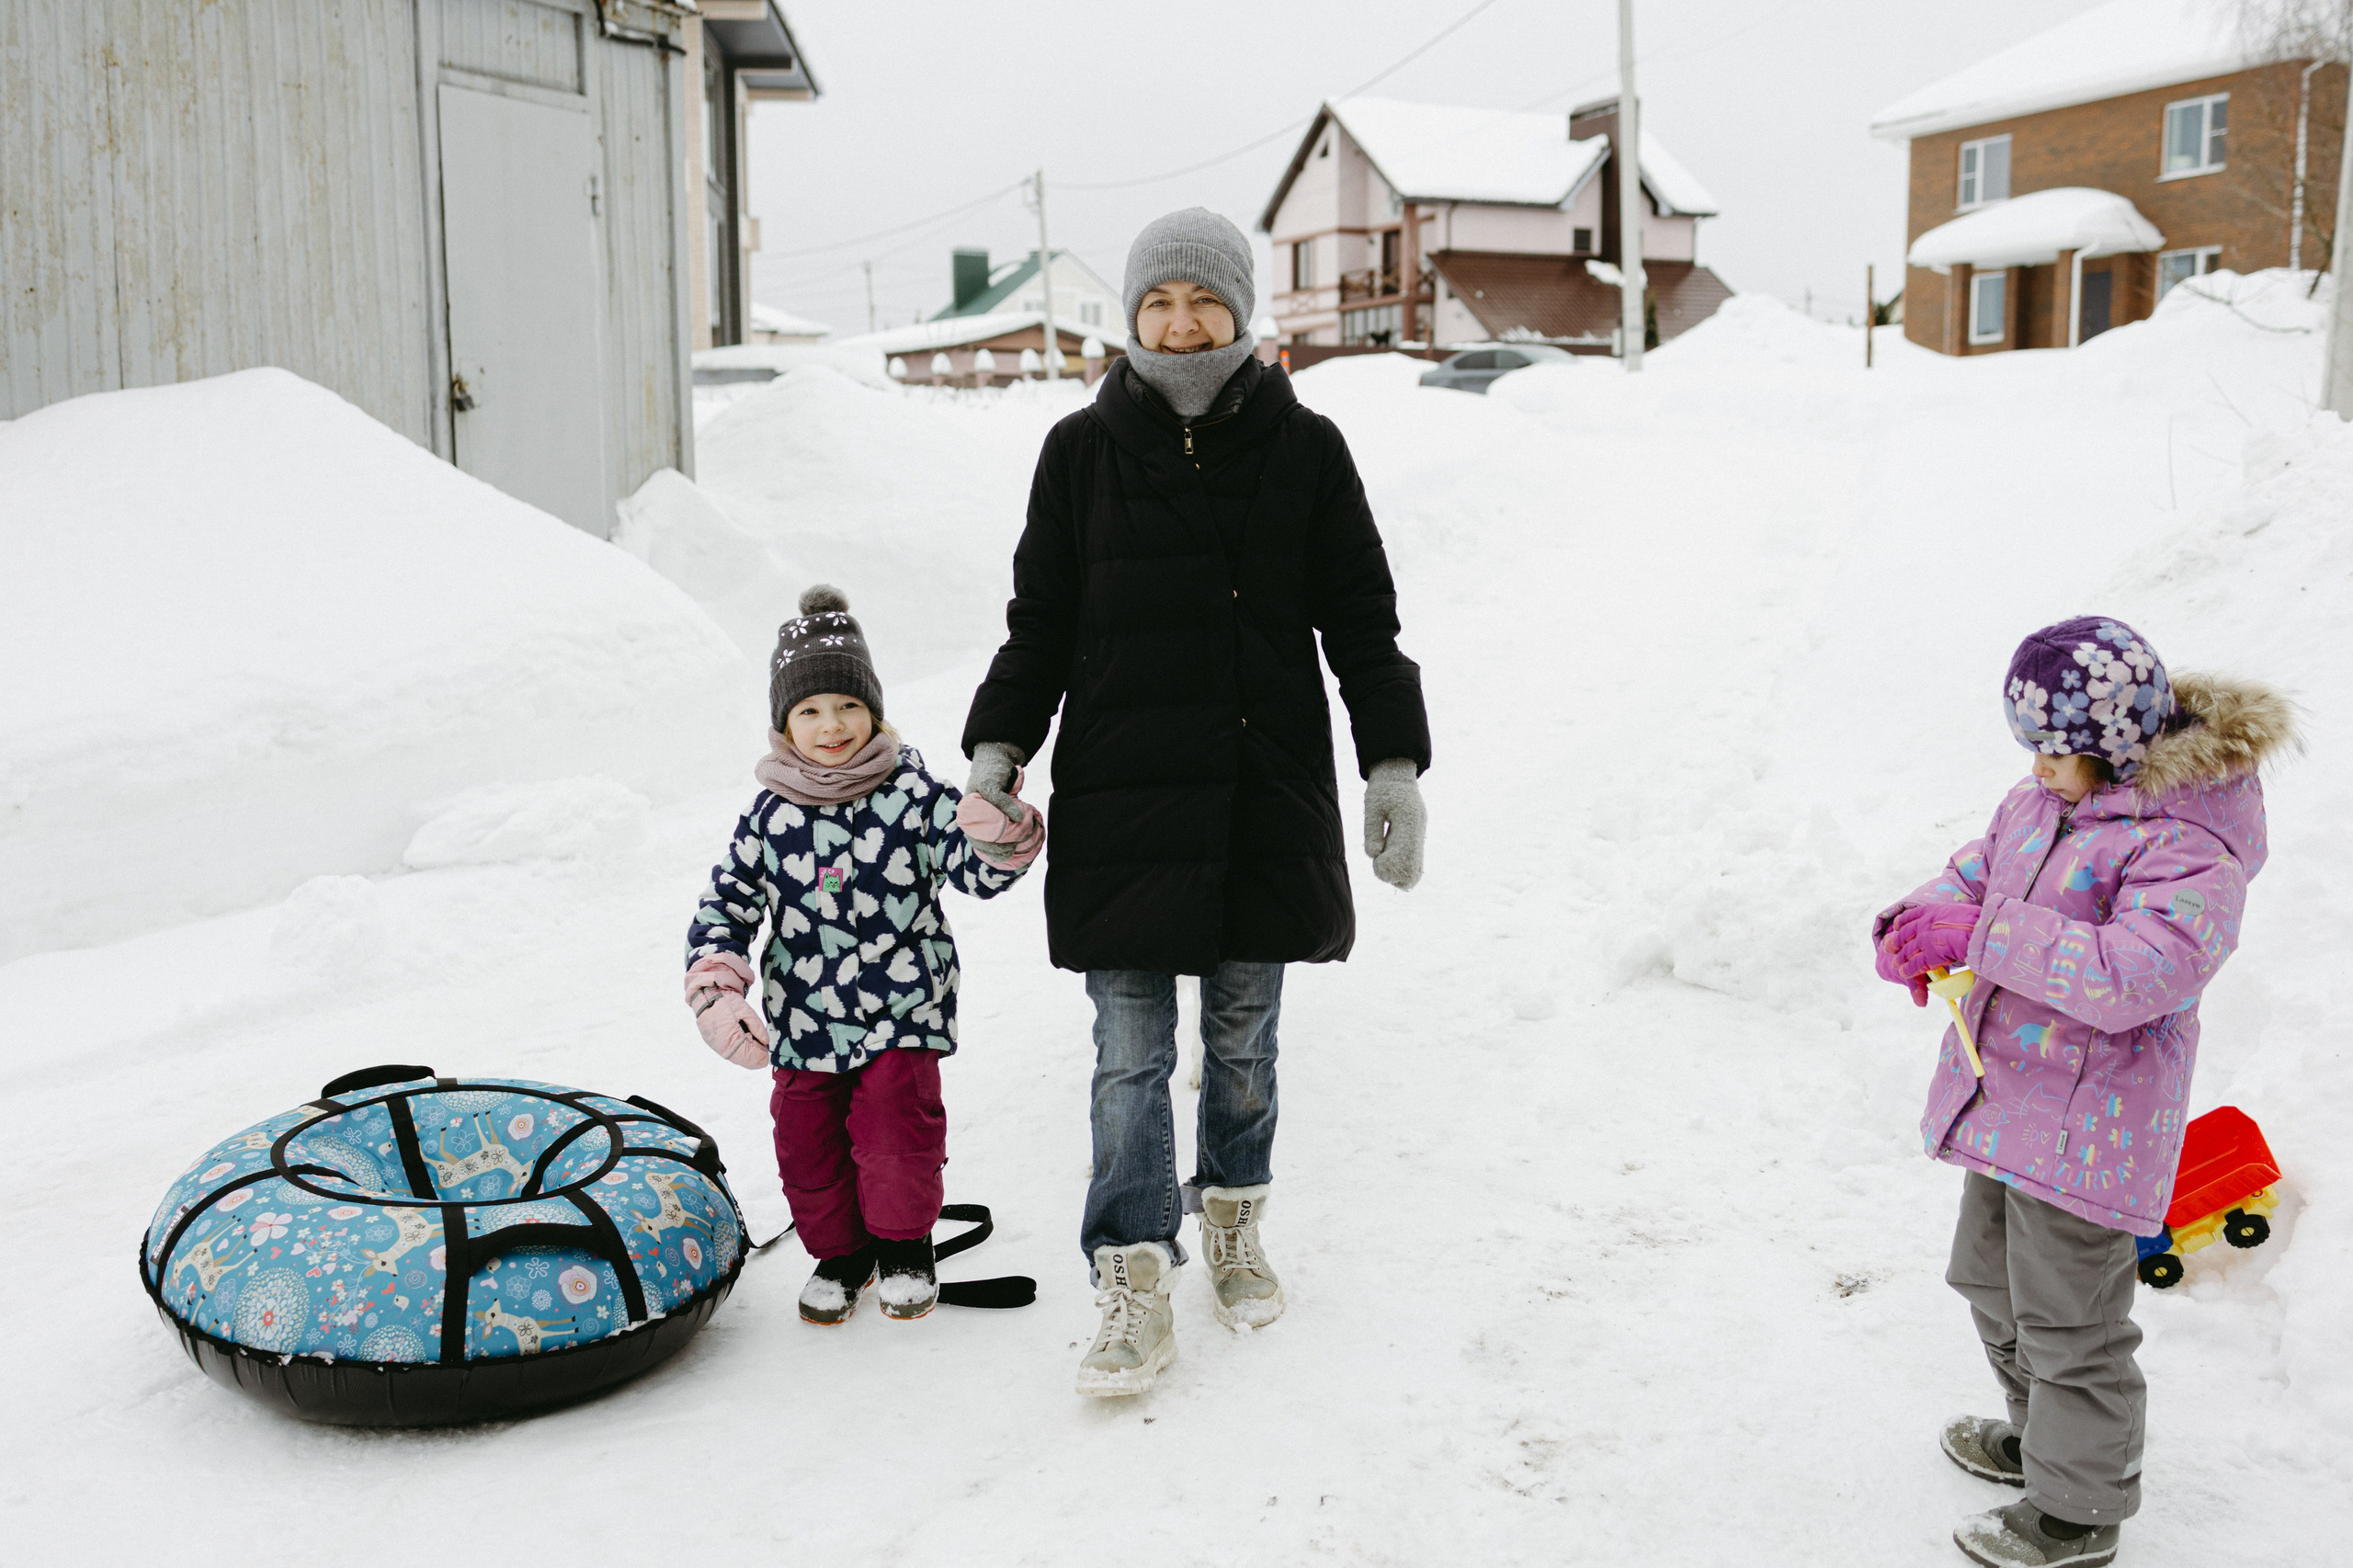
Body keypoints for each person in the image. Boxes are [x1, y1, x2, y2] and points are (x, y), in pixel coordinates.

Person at [961, 208, 1432, 1396]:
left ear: (1241, 310)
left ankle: (1231, 1214)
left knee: (1241, 1046)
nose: (1180, 320)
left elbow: (1362, 624)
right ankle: (1130, 1267)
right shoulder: (1080, 449)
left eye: (1203, 299)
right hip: (1123, 794)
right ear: (1131, 317)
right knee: (1127, 1055)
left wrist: (1392, 765)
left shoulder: (1306, 446)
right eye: (1159, 301)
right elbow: (1043, 624)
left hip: (1258, 791)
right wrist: (999, 746)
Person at [1872, 617, 2296, 1568]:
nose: (2038, 771)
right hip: (2006, 1103)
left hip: (2091, 1125)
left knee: (2070, 1318)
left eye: (2057, 753)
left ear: (2115, 747)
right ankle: (2045, 1440)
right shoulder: (2040, 799)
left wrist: (1977, 935)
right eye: (2029, 749)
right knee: (1988, 1280)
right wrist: (1914, 918)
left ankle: (2076, 1510)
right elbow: (1977, 870)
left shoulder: (2188, 843)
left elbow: (2137, 972)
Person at [685, 585, 1042, 1326]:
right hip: (807, 1016)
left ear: (873, 710)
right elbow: (728, 902)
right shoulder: (771, 814)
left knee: (894, 1124)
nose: (832, 726)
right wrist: (718, 987)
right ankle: (841, 1253)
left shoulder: (912, 794)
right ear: (784, 725)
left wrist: (998, 838)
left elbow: (973, 873)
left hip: (902, 1007)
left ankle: (905, 1245)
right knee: (805, 1136)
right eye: (809, 711)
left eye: (847, 706)